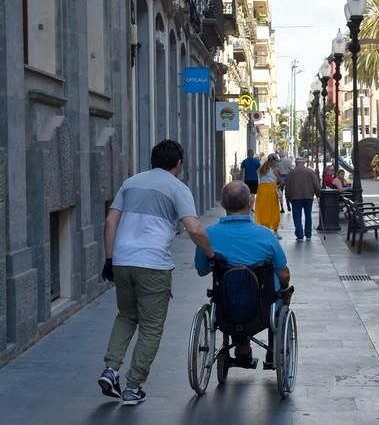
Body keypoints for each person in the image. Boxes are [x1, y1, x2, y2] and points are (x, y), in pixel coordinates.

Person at [98, 140, 215, 406]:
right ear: (179, 163)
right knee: (151, 328)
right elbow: (194, 229)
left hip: (122, 260)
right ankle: (133, 387)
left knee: (126, 316)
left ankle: (110, 369)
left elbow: (110, 221)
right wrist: (211, 255)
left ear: (152, 160)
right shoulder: (178, 187)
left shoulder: (131, 183)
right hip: (153, 264)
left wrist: (109, 258)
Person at [194, 181, 291, 365]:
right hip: (261, 307)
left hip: (225, 305)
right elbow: (283, 273)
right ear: (251, 202)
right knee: (279, 292)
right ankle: (272, 352)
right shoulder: (266, 236)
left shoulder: (208, 235)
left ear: (222, 204)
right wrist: (284, 286)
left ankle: (242, 348)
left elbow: (202, 270)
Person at [285, 157, 321, 241]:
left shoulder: (291, 173)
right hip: (308, 196)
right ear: (304, 163)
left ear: (296, 163)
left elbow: (288, 186)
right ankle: (308, 234)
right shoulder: (310, 172)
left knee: (297, 216)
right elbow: (316, 184)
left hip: (295, 197)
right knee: (308, 215)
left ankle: (299, 235)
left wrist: (288, 197)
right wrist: (318, 193)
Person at [255, 154, 282, 238]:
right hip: (271, 190)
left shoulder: (261, 169)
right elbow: (279, 180)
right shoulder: (274, 169)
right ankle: (275, 231)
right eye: (276, 161)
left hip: (261, 190)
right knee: (274, 210)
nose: (277, 163)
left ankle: (264, 229)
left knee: (262, 209)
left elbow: (259, 179)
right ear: (273, 161)